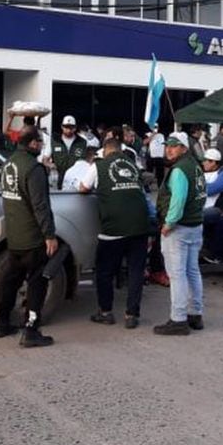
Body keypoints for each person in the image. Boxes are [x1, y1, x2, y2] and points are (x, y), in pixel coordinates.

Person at [79, 138, 154, 329]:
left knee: (104, 272)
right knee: (135, 272)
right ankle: (131, 315)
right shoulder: (133, 165)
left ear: (105, 151)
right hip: (140, 226)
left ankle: (106, 312)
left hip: (114, 228)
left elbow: (83, 188)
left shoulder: (99, 166)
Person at [0, 126, 57, 347]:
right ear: (32, 143)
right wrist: (49, 234)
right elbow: (40, 205)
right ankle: (31, 329)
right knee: (37, 283)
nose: (41, 144)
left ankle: (1, 323)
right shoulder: (33, 168)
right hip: (33, 237)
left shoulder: (9, 163)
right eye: (39, 141)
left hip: (14, 236)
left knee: (10, 280)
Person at [154, 132, 207, 336]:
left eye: (174, 146)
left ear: (184, 148)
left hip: (180, 228)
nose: (169, 149)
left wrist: (169, 223)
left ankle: (178, 319)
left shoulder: (179, 170)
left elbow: (178, 199)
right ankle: (196, 314)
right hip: (195, 225)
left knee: (177, 275)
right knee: (192, 271)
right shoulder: (195, 166)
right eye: (168, 145)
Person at [50, 115, 89, 189]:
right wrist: (50, 165)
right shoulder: (55, 141)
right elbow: (46, 158)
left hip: (75, 178)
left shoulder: (82, 142)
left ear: (75, 128)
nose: (68, 130)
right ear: (62, 127)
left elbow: (86, 159)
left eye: (71, 127)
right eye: (66, 127)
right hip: (58, 177)